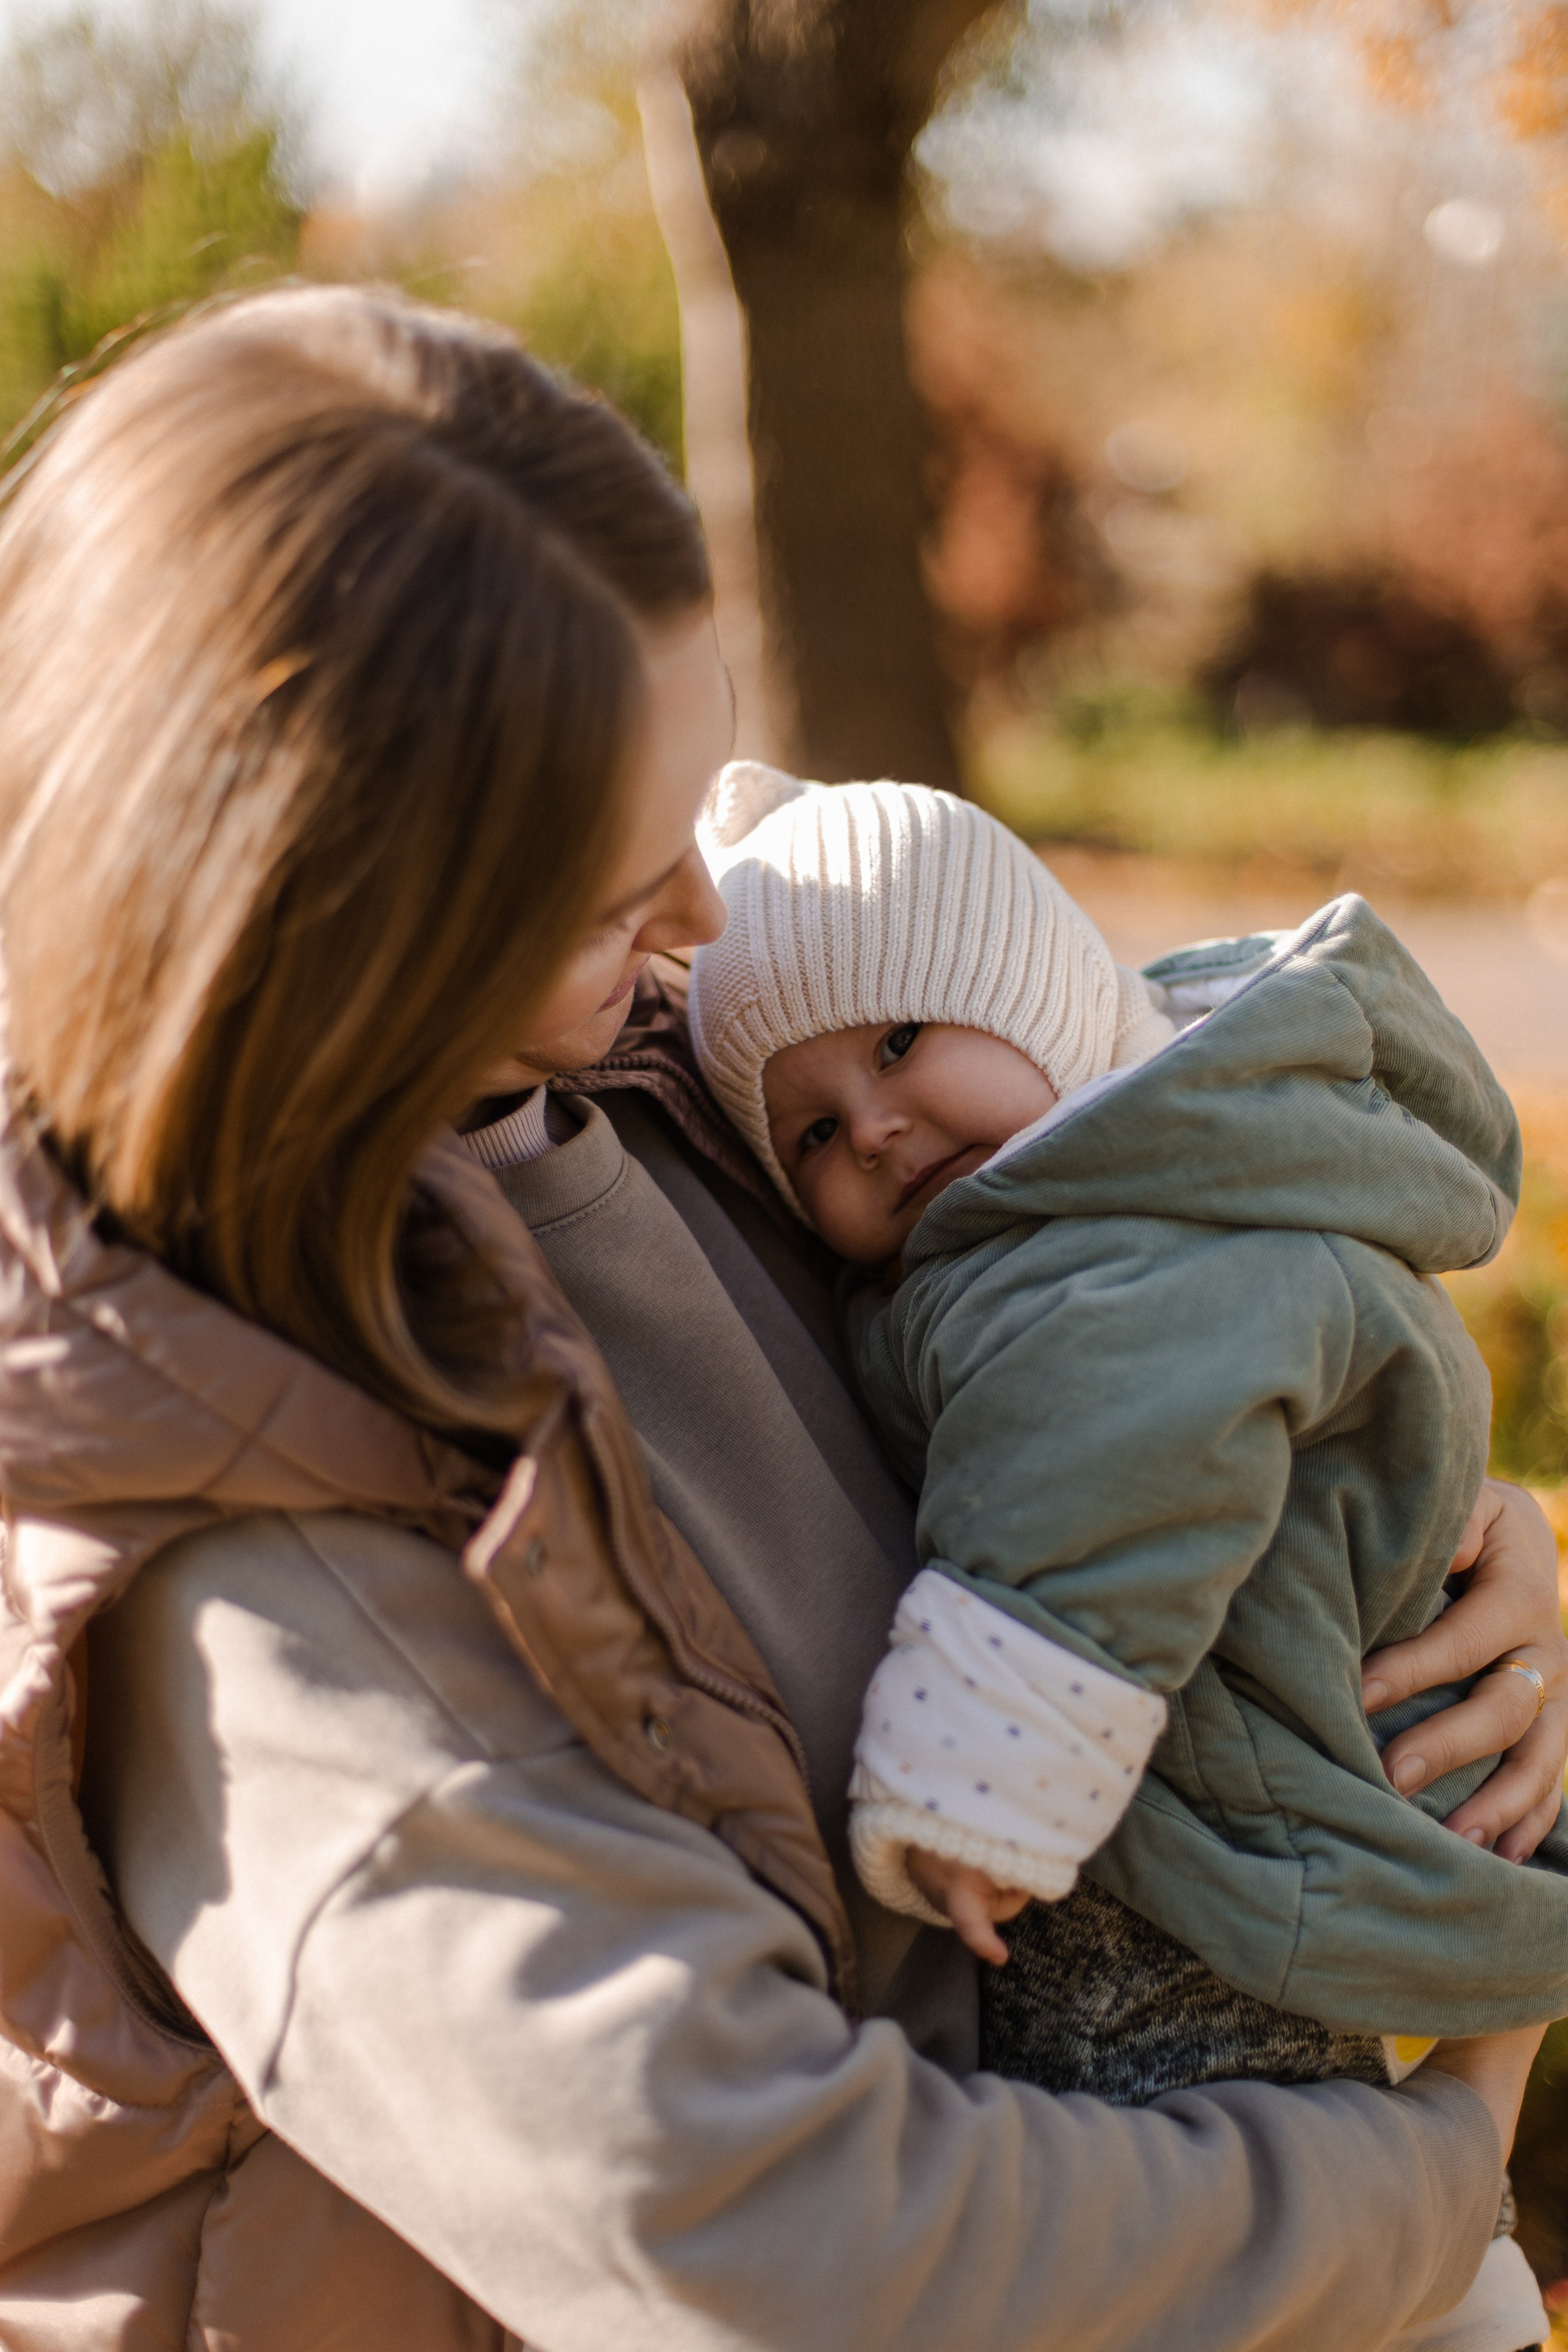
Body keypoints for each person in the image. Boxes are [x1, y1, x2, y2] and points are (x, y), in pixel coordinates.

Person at [0, 284, 1560, 2352]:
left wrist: (1424, 1538)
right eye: (605, 883)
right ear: (330, 917)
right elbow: (766, 2240)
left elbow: (1114, 1359)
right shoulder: (236, 1541)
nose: (702, 919)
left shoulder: (662, 1086)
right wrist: (1418, 2176)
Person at [689, 763, 1568, 2343]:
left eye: (900, 1039)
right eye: (811, 1127)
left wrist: (986, 1774)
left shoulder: (1098, 1255)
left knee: (1238, 2171)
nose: (873, 1127)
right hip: (1266, 1802)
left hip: (1204, 1855)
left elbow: (1110, 1470)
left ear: (1027, 985)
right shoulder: (1140, 1171)